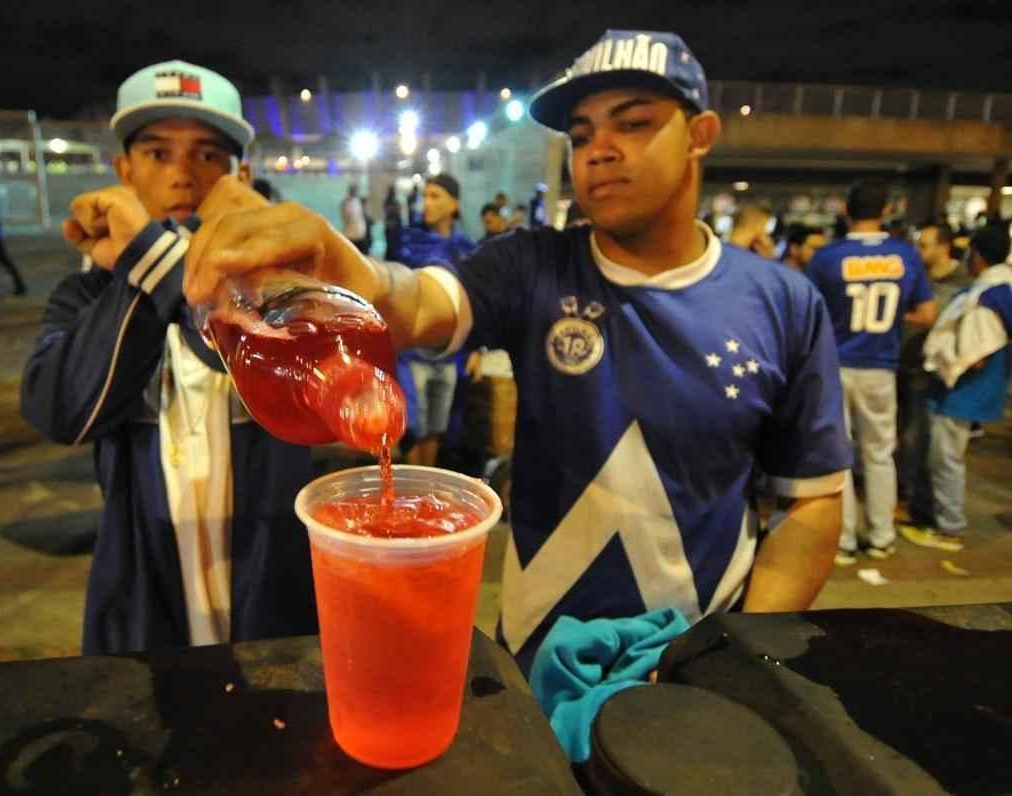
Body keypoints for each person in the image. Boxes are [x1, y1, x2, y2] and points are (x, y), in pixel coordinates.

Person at [175, 30, 853, 672]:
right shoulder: (531, 266)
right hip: (536, 660)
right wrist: (356, 272)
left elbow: (811, 501)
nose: (599, 150)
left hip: (694, 662)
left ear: (700, 133)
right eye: (581, 135)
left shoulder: (783, 301)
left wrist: (737, 659)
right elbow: (422, 301)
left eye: (633, 123)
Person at [21, 60, 317, 655]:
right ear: (123, 172)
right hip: (144, 589)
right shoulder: (86, 294)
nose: (183, 176)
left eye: (208, 155)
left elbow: (303, 389)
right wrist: (143, 269)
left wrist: (150, 258)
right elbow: (60, 411)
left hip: (273, 578)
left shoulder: (286, 288)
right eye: (158, 154)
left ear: (242, 177)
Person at [805, 179, 937, 565]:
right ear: (885, 211)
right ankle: (881, 537)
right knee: (880, 455)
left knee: (838, 455)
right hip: (881, 367)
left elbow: (807, 313)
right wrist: (894, 320)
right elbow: (927, 313)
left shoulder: (828, 257)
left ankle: (844, 540)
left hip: (835, 367)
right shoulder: (905, 255)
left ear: (847, 211)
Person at [901, 224, 1012, 552]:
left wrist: (945, 367)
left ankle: (949, 528)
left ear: (976, 255)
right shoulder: (1001, 287)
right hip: (972, 387)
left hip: (962, 388)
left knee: (946, 457)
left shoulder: (986, 295)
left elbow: (974, 352)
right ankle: (937, 517)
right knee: (944, 454)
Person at [392, 172, 476, 466]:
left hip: (451, 355)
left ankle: (426, 484)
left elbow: (476, 301)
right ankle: (412, 486)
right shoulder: (409, 244)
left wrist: (477, 349)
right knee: (412, 427)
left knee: (437, 427)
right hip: (412, 353)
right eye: (424, 196)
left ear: (454, 204)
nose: (426, 203)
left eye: (435, 196)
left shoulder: (467, 249)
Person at [897, 222, 969, 525]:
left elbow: (935, 318)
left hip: (928, 370)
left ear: (943, 247)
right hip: (903, 361)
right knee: (904, 434)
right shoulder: (917, 275)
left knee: (919, 437)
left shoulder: (960, 283)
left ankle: (921, 503)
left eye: (924, 245)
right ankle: (906, 492)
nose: (918, 250)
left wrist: (898, 313)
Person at [340, 184, 367, 251]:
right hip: (350, 235)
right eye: (353, 190)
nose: (354, 191)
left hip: (360, 234)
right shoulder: (346, 203)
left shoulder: (358, 201)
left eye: (355, 190)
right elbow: (346, 218)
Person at [383, 185, 403, 257]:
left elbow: (399, 210)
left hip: (395, 226)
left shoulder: (395, 200)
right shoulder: (388, 201)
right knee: (390, 245)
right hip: (390, 226)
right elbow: (387, 210)